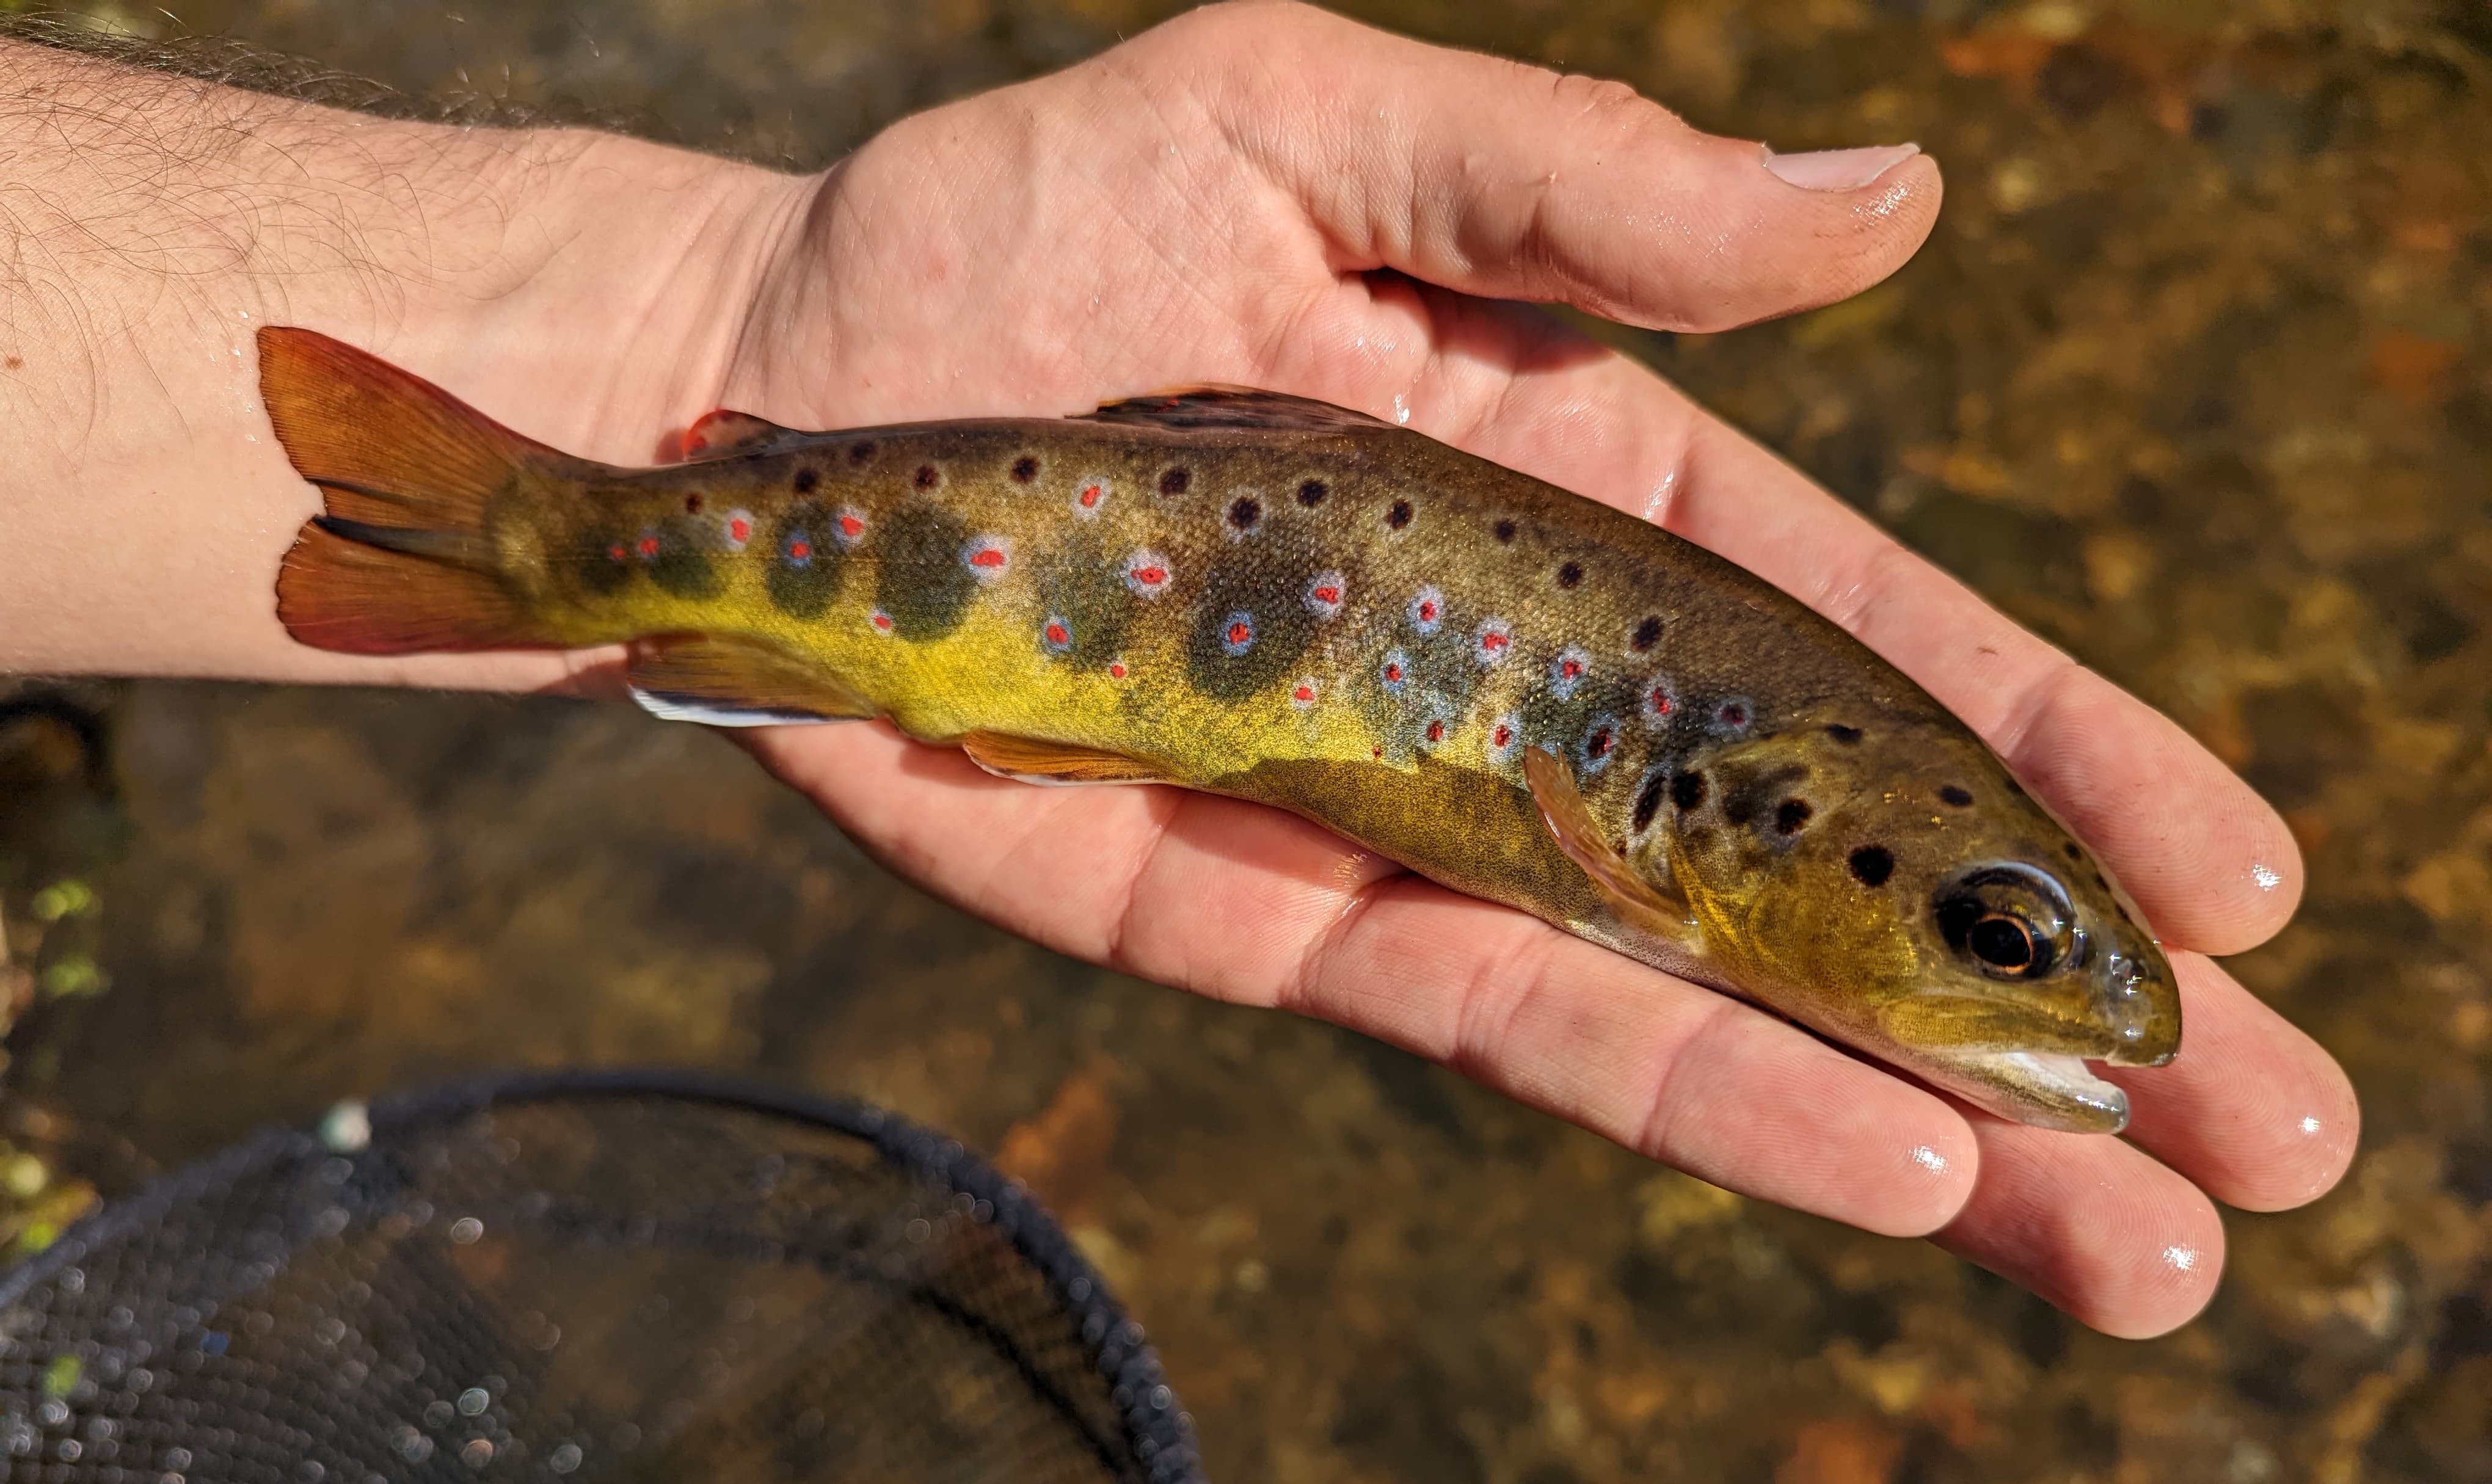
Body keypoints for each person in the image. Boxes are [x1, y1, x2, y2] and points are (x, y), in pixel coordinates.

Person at [0, 2, 2353, 1337]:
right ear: (1732, 806)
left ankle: (579, 546)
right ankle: (560, 540)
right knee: (734, 580)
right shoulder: (1643, 817)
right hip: (1049, 542)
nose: (2019, 976)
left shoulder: (1710, 816)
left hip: (1090, 545)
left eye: (1992, 932)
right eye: (1987, 928)